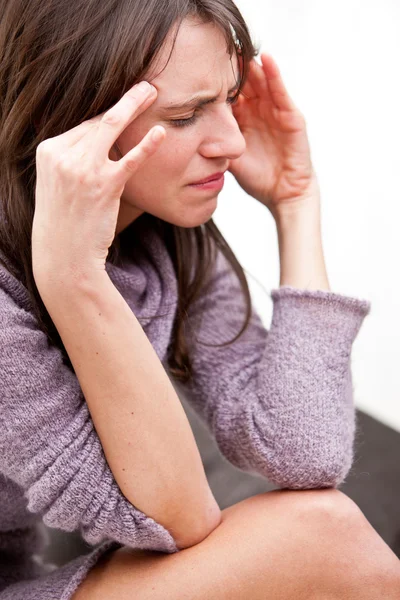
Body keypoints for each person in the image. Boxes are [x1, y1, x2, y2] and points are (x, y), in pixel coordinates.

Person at [0, 0, 399, 598]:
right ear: (67, 123)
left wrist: (296, 201)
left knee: (325, 528)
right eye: (186, 115)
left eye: (229, 98)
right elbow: (174, 518)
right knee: (322, 538)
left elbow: (304, 454)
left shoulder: (163, 243)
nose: (232, 143)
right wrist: (74, 277)